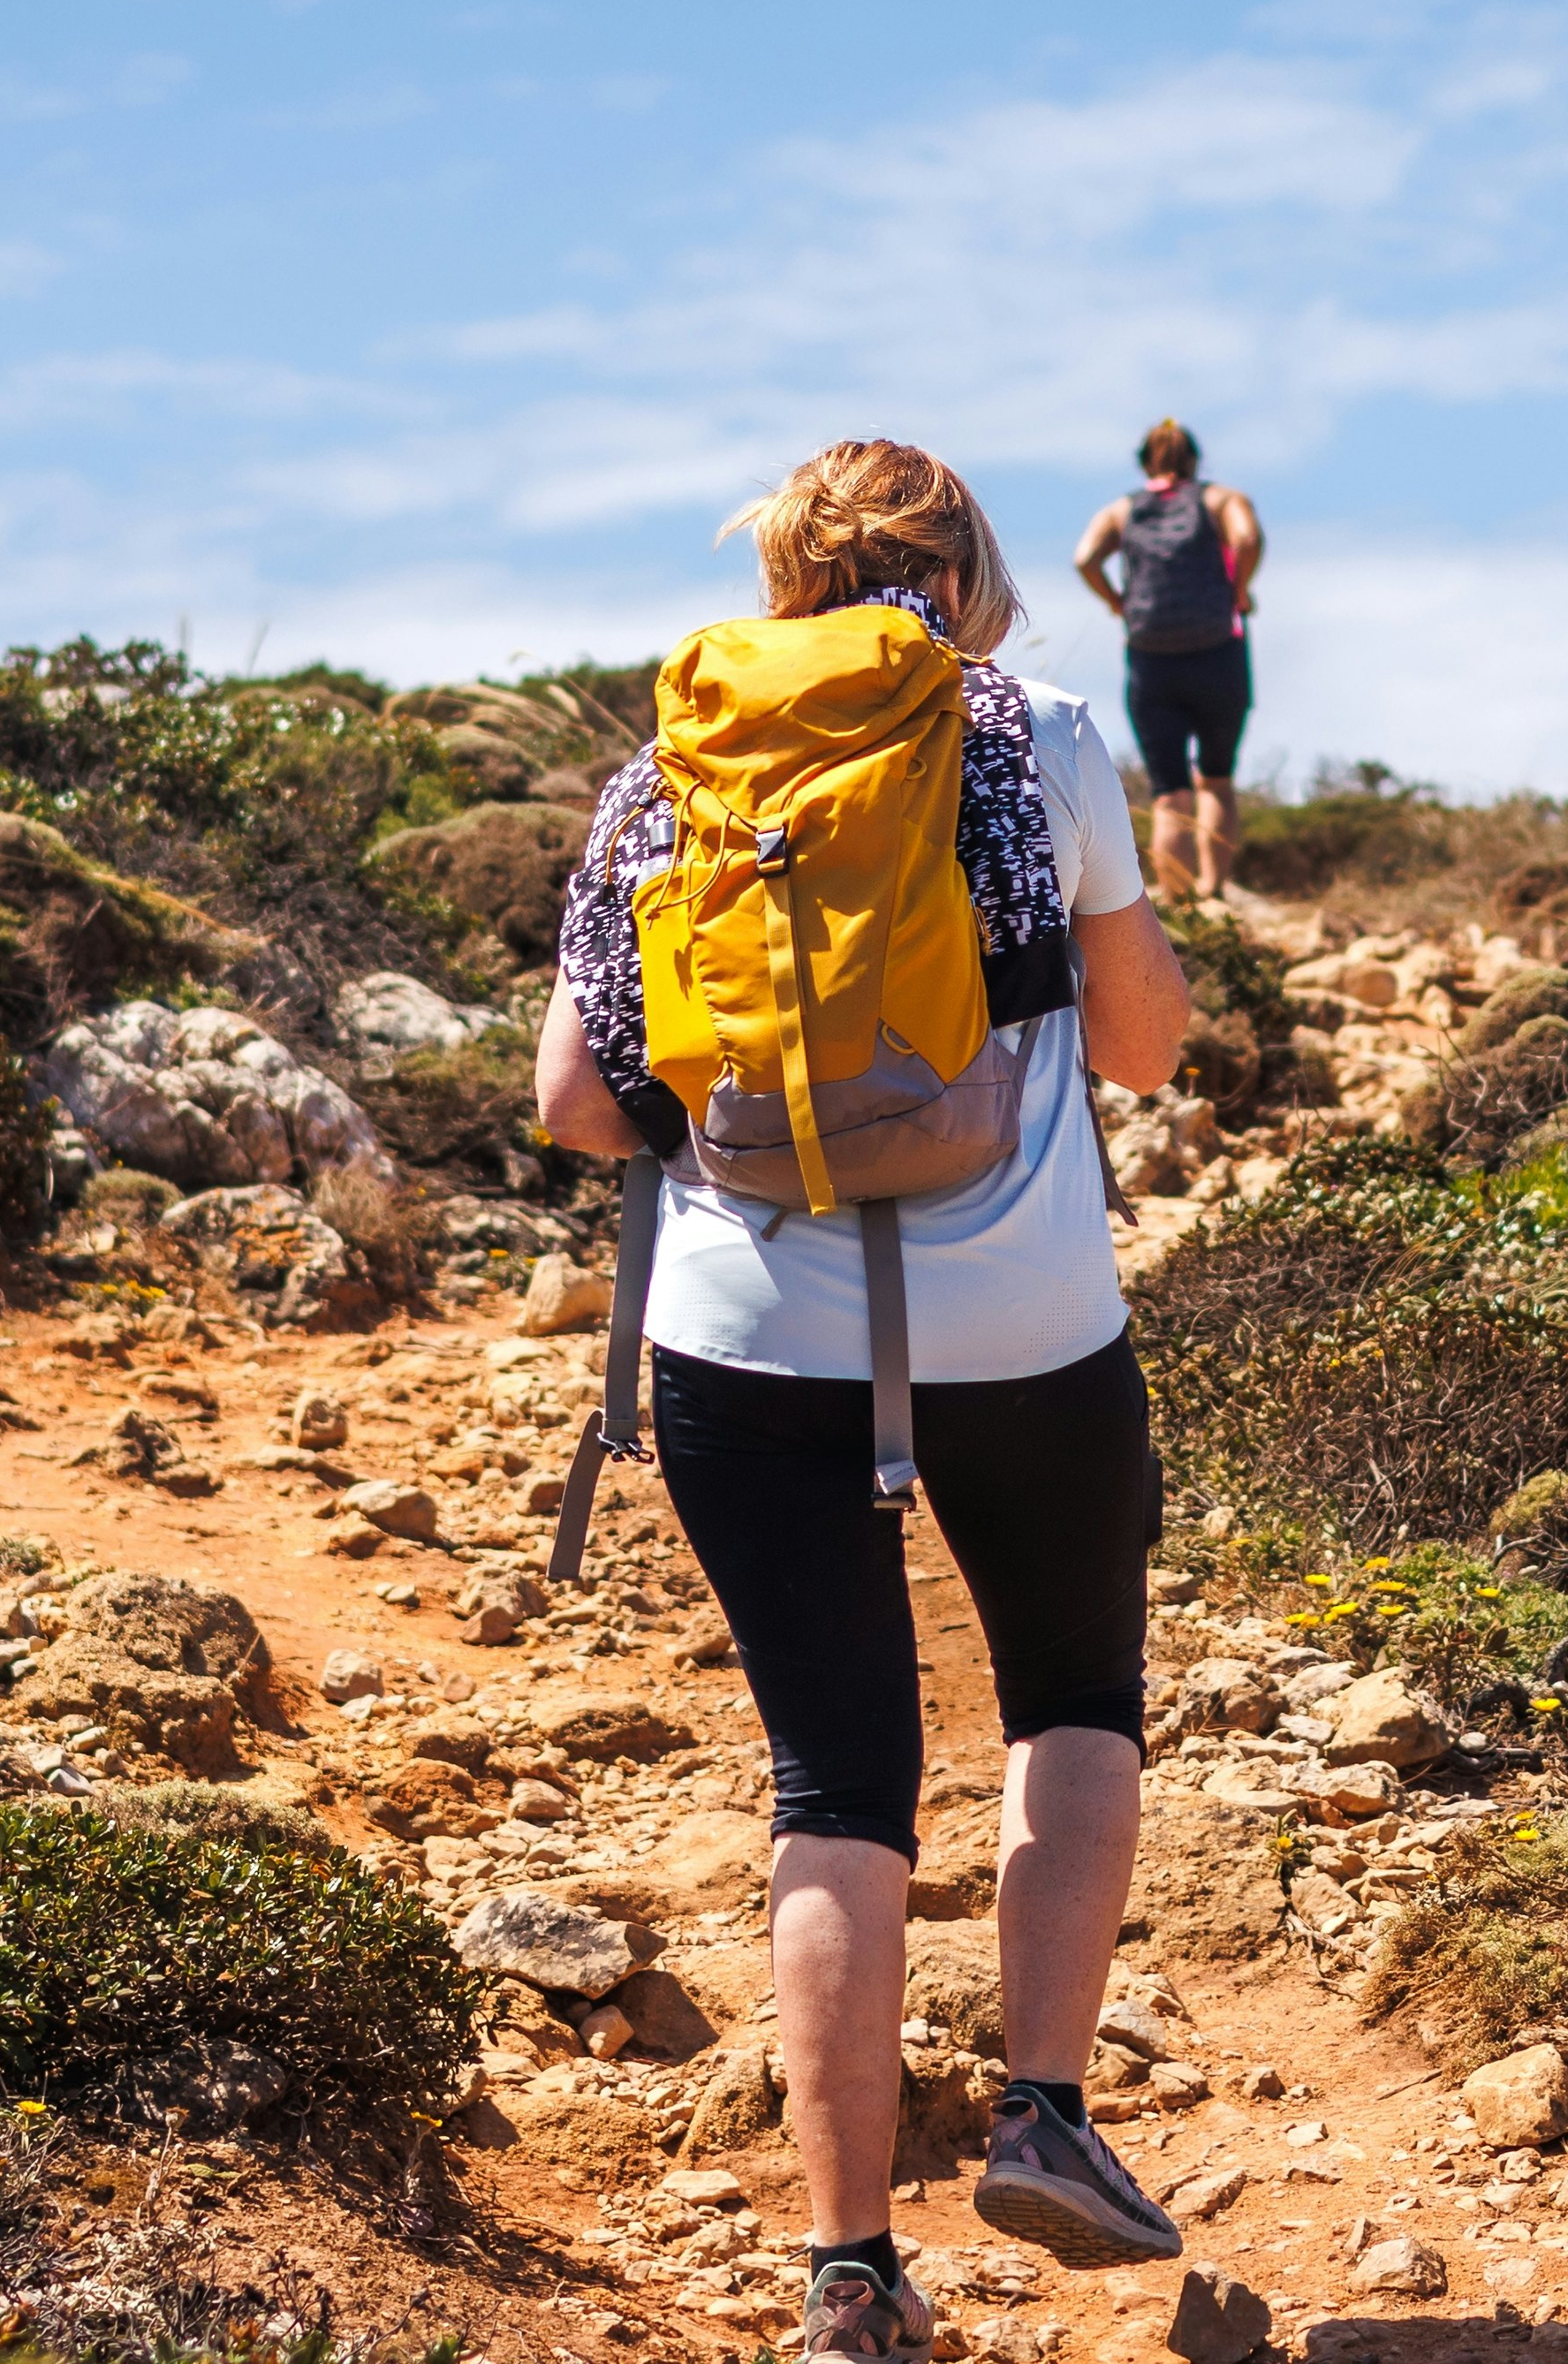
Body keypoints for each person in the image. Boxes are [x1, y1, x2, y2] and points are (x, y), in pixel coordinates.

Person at [536, 439, 1203, 2364]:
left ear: (781, 575)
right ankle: (1048, 2118)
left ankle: (846, 2276)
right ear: (973, 574)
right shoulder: (1046, 734)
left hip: (745, 1343)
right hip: (1026, 1324)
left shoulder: (662, 773)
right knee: (1072, 1694)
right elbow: (1147, 1050)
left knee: (836, 1785)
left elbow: (581, 1111)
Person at [1070, 420, 1260, 905]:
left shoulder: (1122, 510)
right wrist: (1239, 592)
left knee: (1170, 790)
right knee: (1216, 778)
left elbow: (1085, 558)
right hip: (1218, 652)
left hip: (1151, 659)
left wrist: (1118, 602)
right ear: (1194, 460)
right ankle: (1214, 891)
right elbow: (1247, 539)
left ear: (1145, 462)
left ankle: (1175, 898)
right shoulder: (1220, 500)